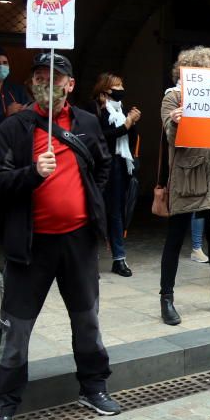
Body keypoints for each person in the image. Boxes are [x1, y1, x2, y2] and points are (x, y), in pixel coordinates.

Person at [0, 52, 118, 420]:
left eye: (55, 78)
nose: (48, 83)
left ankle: (93, 387)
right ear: (32, 85)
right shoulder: (14, 127)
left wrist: (88, 198)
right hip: (30, 246)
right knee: (16, 330)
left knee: (87, 320)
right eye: (40, 77)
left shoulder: (87, 123)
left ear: (70, 85)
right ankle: (3, 404)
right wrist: (32, 174)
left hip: (77, 241)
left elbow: (103, 165)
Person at [159, 46, 210, 326]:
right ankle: (167, 299)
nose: (208, 75)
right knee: (175, 239)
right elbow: (171, 138)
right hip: (188, 178)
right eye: (202, 71)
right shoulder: (173, 98)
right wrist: (175, 122)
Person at [90, 73, 141, 278]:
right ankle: (90, 260)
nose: (121, 89)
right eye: (116, 86)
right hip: (101, 167)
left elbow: (131, 139)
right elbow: (102, 138)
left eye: (122, 85)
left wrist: (132, 124)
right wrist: (126, 125)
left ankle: (119, 259)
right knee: (96, 212)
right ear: (104, 90)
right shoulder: (95, 111)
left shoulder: (120, 111)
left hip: (120, 166)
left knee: (116, 212)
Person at [0, 45, 30, 126]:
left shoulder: (19, 91)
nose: (1, 66)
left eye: (5, 63)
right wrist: (7, 116)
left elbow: (29, 117)